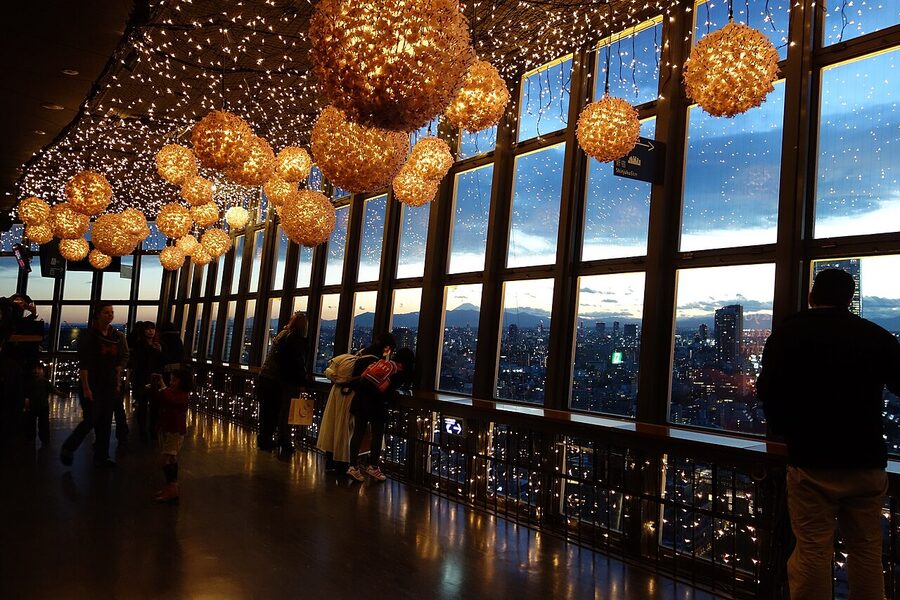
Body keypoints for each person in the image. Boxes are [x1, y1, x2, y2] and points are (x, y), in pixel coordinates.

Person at [758, 268, 900, 600]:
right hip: (865, 458)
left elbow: (768, 390)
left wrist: (785, 429)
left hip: (811, 458)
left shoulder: (788, 334)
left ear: (812, 295)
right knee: (866, 552)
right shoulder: (874, 335)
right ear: (850, 298)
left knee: (812, 550)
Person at [60, 302, 130, 468]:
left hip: (109, 383)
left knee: (105, 420)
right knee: (92, 418)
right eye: (106, 312)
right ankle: (69, 446)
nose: (110, 315)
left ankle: (102, 456)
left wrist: (118, 383)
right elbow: (84, 364)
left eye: (111, 312)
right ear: (97, 314)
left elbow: (118, 362)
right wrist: (85, 388)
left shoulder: (115, 336)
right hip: (93, 383)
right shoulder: (89, 336)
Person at [318, 332, 395, 475]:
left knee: (337, 429)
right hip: (354, 399)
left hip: (340, 395)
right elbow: (368, 382)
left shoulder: (360, 353)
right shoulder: (374, 361)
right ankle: (348, 465)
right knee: (350, 432)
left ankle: (334, 462)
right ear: (387, 348)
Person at [346, 345, 414, 483]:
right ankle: (373, 466)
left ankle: (353, 466)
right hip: (375, 405)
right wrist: (393, 396)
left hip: (360, 400)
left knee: (358, 434)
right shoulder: (398, 372)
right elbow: (384, 389)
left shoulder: (382, 363)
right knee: (377, 435)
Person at [256, 311, 310, 453]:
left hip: (266, 376)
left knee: (267, 411)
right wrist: (302, 380)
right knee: (278, 411)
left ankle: (264, 439)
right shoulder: (294, 339)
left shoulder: (283, 334)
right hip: (276, 380)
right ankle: (278, 440)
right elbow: (295, 362)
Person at [150, 369, 192, 502]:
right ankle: (172, 488)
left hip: (175, 431)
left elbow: (168, 398)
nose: (171, 382)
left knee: (164, 460)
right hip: (169, 429)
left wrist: (162, 385)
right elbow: (162, 397)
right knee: (172, 459)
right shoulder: (173, 392)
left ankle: (172, 488)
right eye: (171, 379)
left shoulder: (182, 395)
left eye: (174, 380)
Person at [129, 321, 164, 442]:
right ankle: (144, 431)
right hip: (143, 379)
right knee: (144, 406)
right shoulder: (140, 345)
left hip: (152, 379)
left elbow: (161, 361)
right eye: (148, 329)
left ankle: (151, 430)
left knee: (153, 407)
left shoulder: (156, 345)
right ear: (143, 331)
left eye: (152, 329)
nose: (151, 331)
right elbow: (141, 363)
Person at [23, 363, 58, 447]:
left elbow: (53, 390)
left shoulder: (40, 381)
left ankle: (35, 439)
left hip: (40, 406)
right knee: (41, 423)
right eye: (35, 369)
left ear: (42, 371)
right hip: (39, 406)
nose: (36, 371)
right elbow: (53, 390)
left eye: (38, 369)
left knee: (38, 423)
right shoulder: (40, 381)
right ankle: (42, 439)